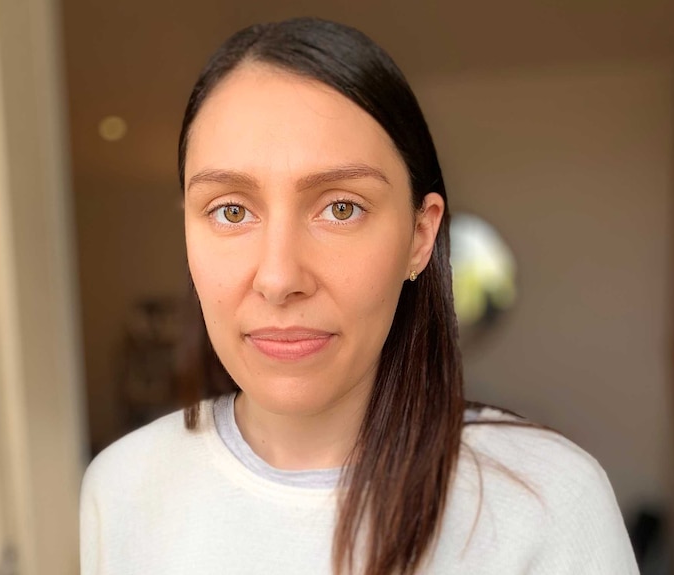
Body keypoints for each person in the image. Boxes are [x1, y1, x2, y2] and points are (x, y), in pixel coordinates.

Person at [80, 17, 639, 575]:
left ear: (420, 236)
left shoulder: (546, 503)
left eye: (341, 208)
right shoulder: (125, 487)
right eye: (231, 211)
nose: (278, 278)